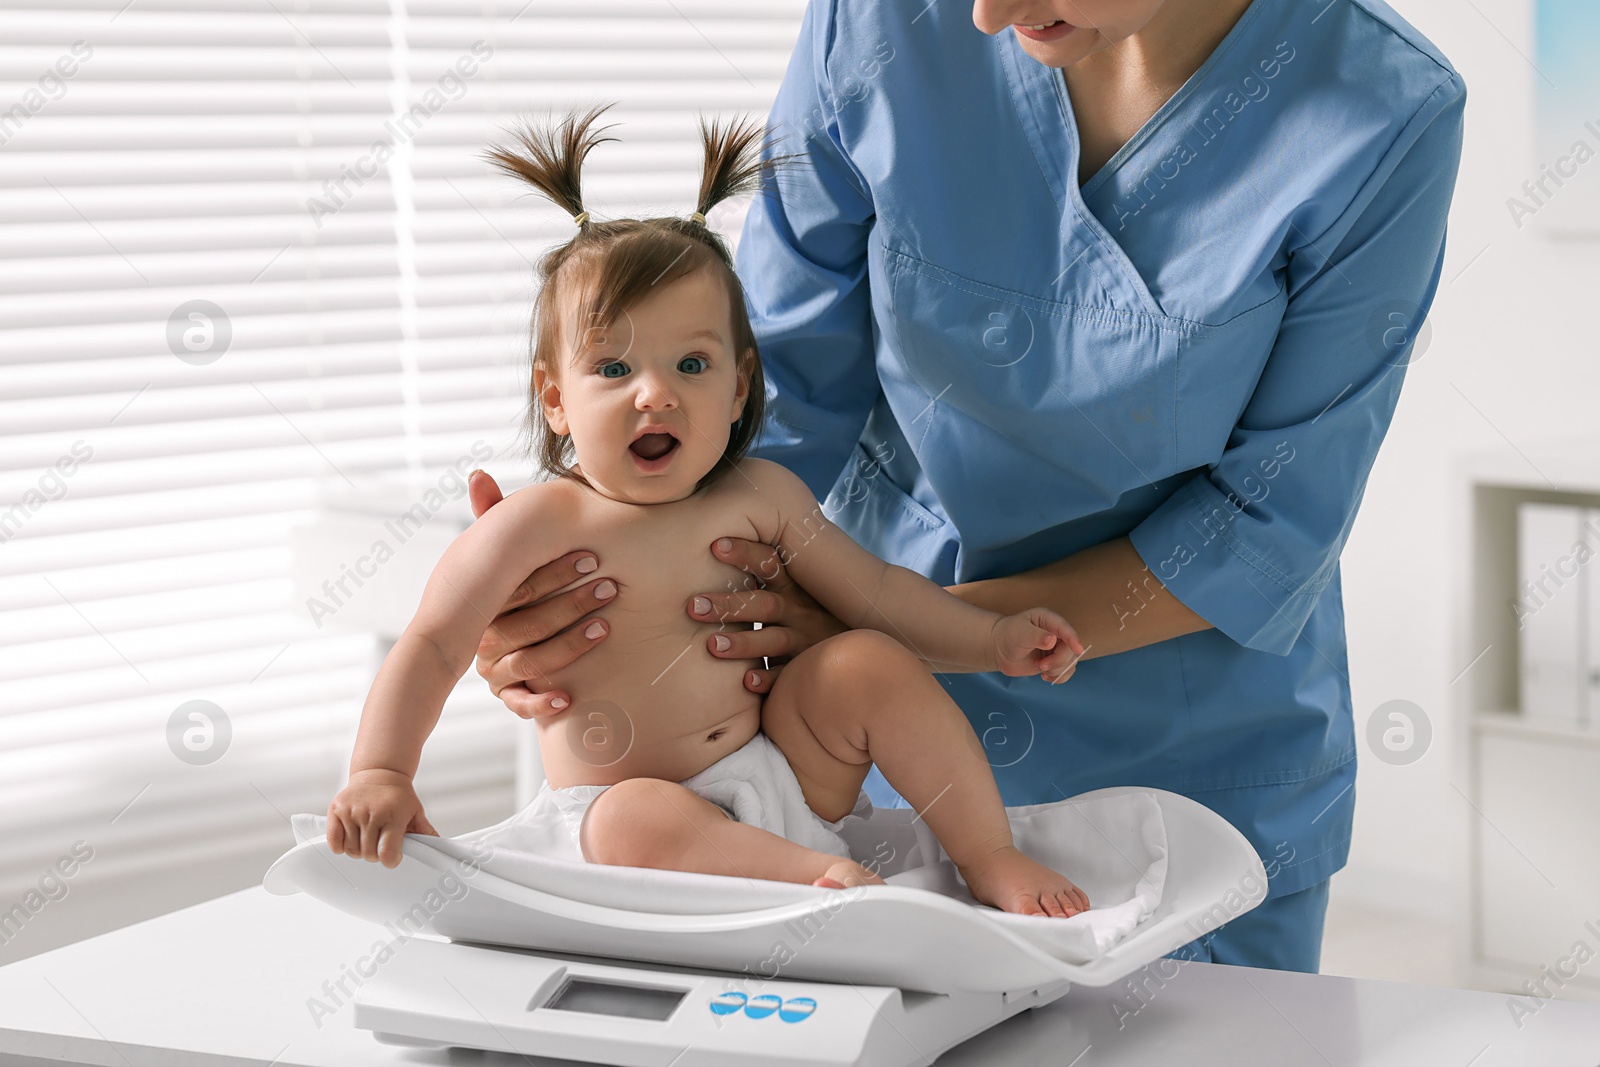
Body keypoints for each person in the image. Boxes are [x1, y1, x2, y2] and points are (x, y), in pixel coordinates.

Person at [467, 0, 1466, 971]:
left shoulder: (1380, 112)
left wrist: (912, 627)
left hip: (1191, 774)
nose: (984, 17)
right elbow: (767, 402)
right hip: (870, 757)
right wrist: (590, 593)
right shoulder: (876, 19)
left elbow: (1261, 528)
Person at [327, 108, 1094, 917]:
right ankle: (812, 881)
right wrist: (381, 770)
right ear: (555, 400)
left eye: (691, 363)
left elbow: (880, 594)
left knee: (868, 658)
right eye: (614, 366)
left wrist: (992, 639)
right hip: (632, 817)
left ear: (737, 388)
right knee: (631, 815)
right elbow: (436, 642)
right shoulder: (535, 524)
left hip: (783, 776)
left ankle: (990, 856)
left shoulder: (761, 496)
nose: (654, 393)